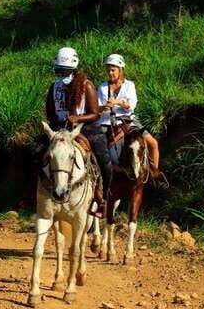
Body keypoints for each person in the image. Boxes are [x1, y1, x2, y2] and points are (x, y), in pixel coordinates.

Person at [39, 47, 113, 217]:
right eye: (60, 70)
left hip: (85, 127)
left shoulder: (86, 85)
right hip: (59, 128)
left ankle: (102, 198)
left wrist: (78, 119)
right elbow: (50, 111)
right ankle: (34, 193)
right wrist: (57, 124)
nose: (62, 73)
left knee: (104, 158)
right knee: (35, 150)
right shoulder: (54, 86)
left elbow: (95, 113)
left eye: (65, 70)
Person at [96, 53, 161, 178]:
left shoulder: (129, 85)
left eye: (113, 70)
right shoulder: (102, 87)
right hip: (107, 122)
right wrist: (105, 107)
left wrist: (118, 102)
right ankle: (107, 175)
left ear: (120, 70)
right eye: (108, 70)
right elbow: (97, 108)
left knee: (153, 143)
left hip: (128, 121)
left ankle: (154, 174)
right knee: (98, 149)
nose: (110, 73)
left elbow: (131, 105)